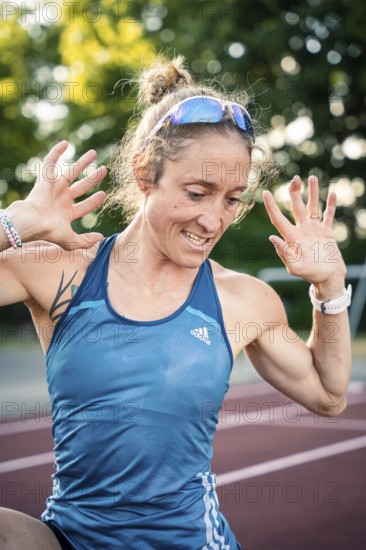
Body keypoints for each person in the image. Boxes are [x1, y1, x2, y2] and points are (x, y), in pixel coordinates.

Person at [0, 56, 352, 549]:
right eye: (196, 192)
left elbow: (329, 395)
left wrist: (330, 286)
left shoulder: (241, 300)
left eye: (231, 199)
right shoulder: (60, 271)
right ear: (145, 173)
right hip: (73, 534)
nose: (213, 220)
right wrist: (15, 224)